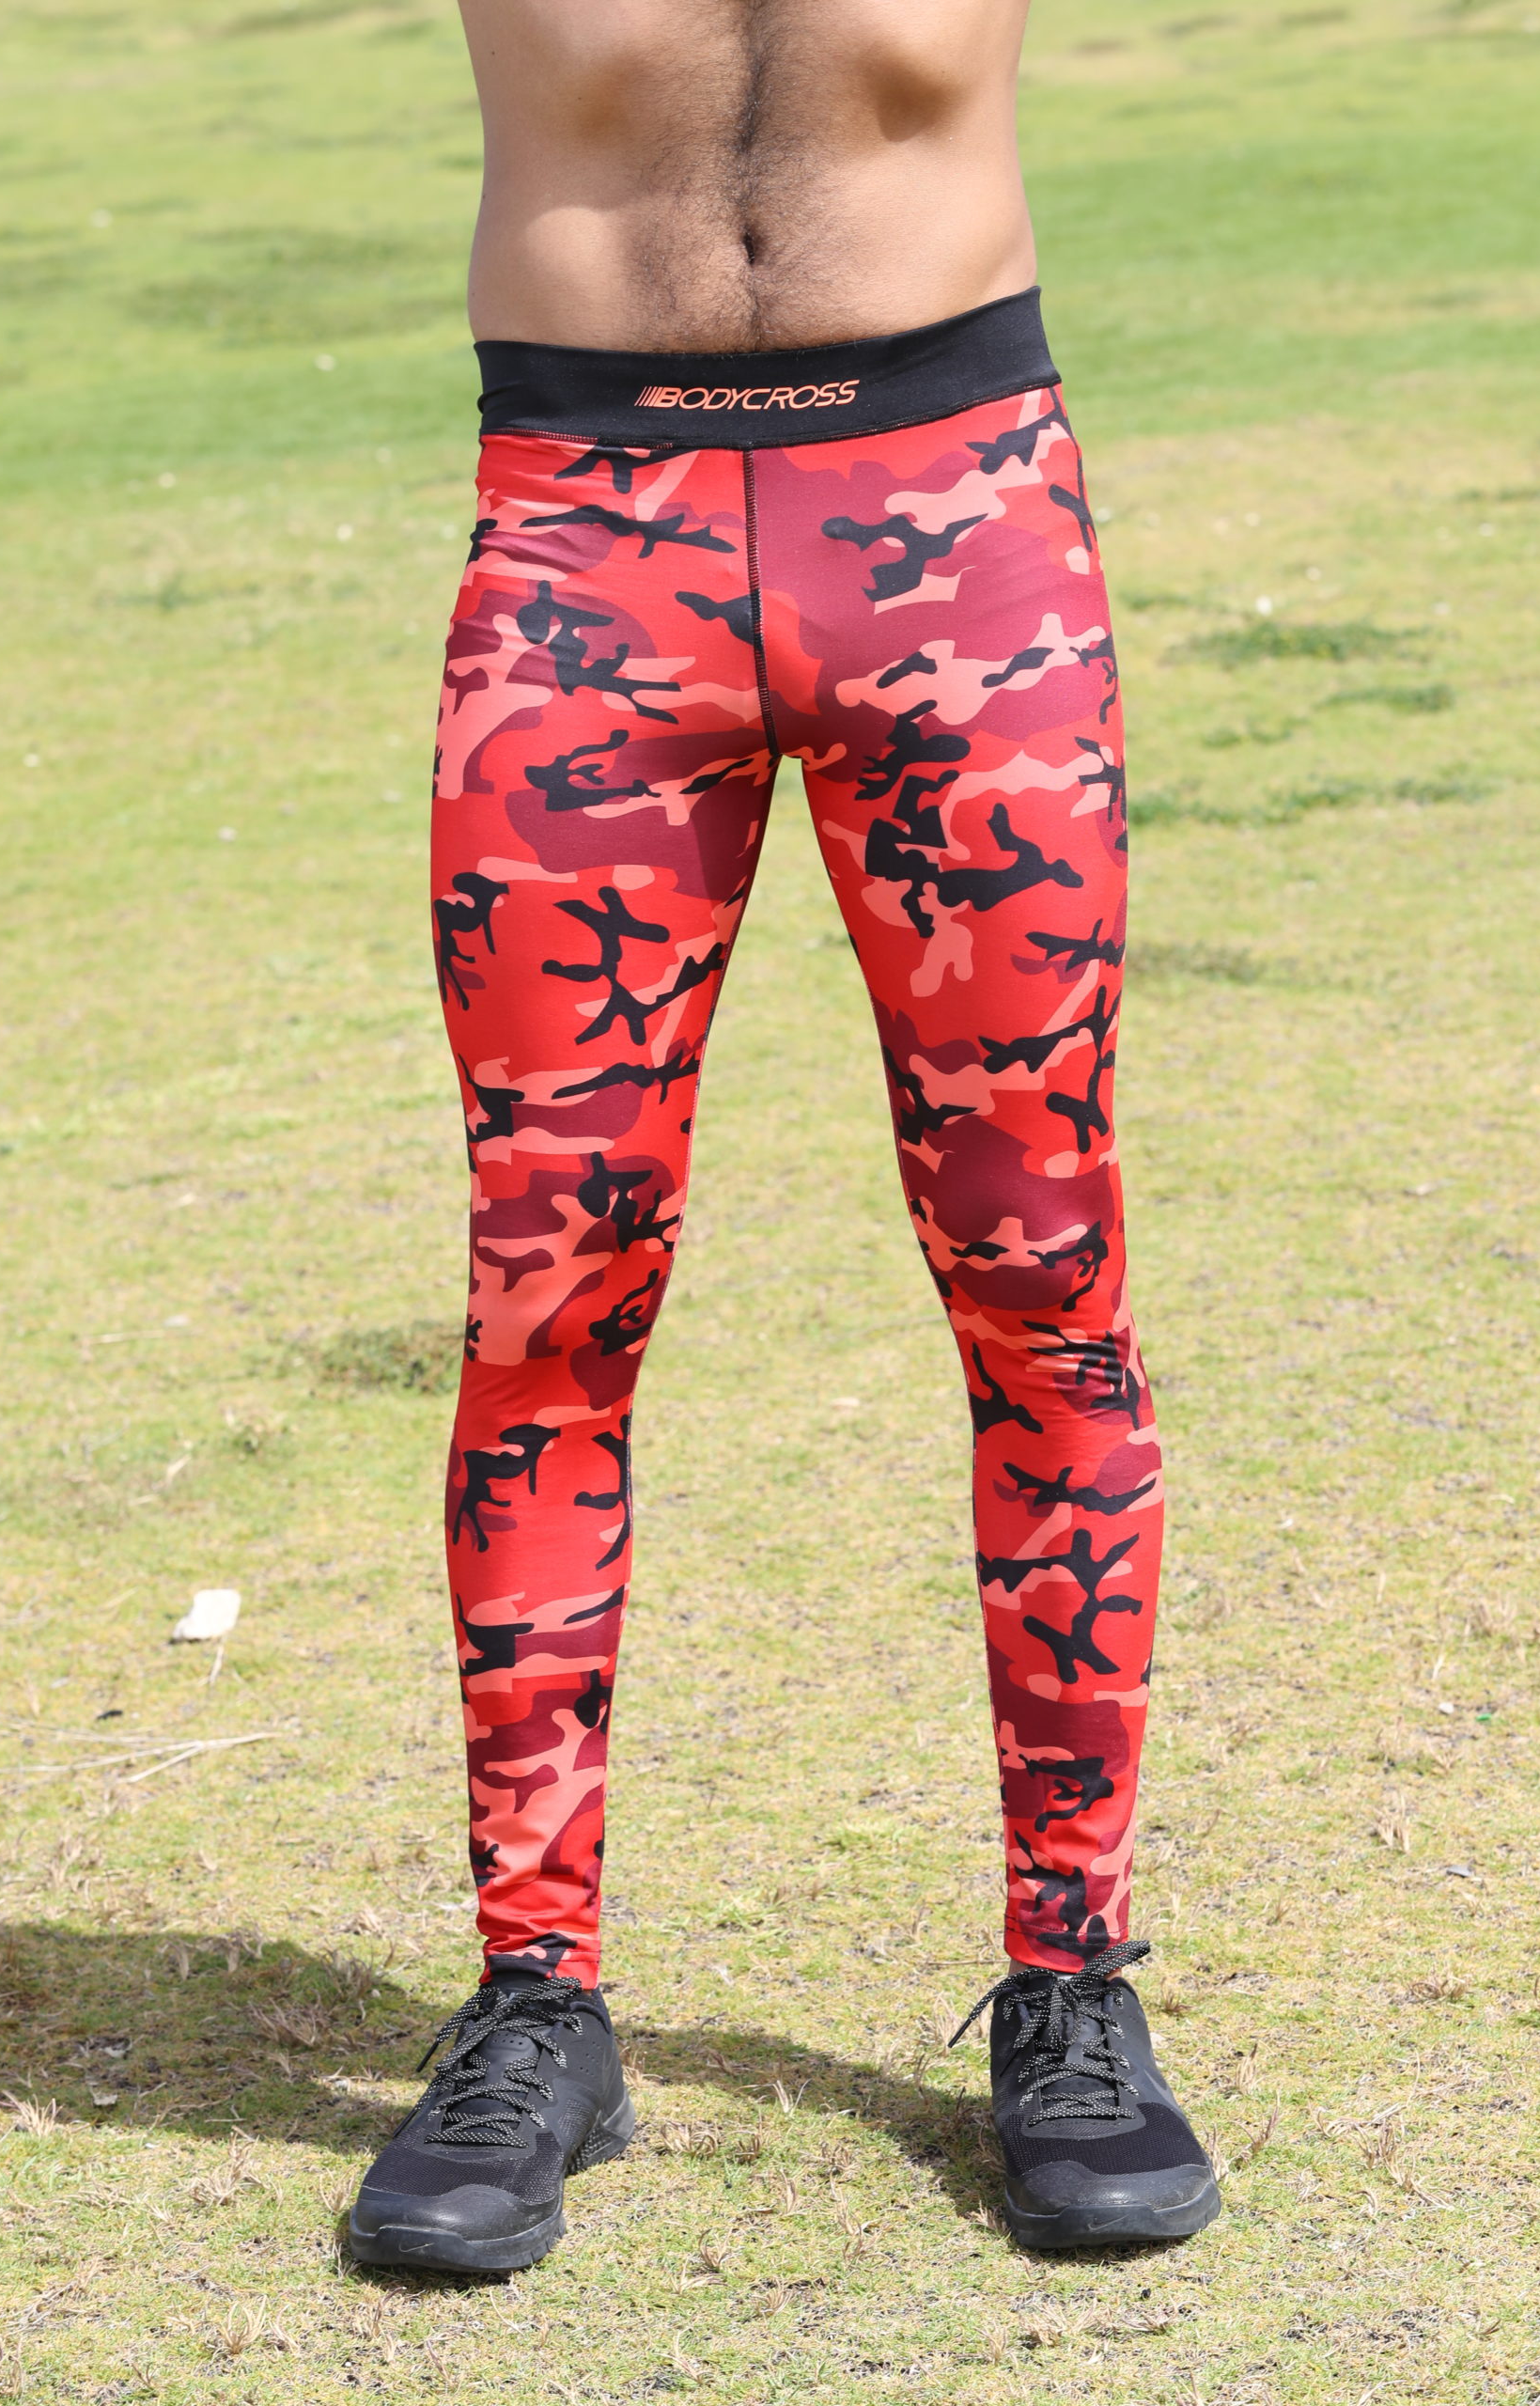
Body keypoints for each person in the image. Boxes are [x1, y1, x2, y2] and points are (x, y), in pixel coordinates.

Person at [349, 0, 1219, 2273]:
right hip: (584, 534)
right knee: (544, 1299)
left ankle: (1072, 1977)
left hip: (958, 512)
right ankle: (536, 1997)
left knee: (1042, 1282)